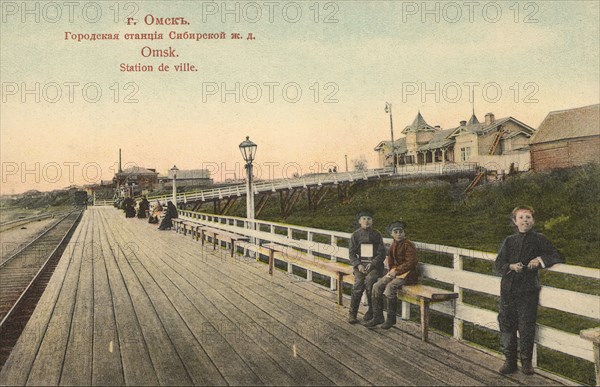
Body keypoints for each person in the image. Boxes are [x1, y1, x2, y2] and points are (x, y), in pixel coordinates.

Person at [494, 206, 563, 375]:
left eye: (528, 217)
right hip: (508, 290)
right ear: (514, 221)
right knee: (507, 324)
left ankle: (526, 363)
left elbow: (556, 255)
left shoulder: (539, 239)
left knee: (526, 326)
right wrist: (510, 266)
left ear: (533, 221)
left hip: (528, 290)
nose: (525, 220)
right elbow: (498, 265)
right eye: (521, 217)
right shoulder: (509, 241)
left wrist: (539, 260)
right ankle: (509, 362)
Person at [365, 220, 418, 329]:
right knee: (376, 286)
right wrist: (390, 273)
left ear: (404, 233)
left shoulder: (408, 245)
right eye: (396, 232)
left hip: (408, 275)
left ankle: (391, 319)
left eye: (401, 231)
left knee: (390, 287)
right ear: (391, 234)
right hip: (395, 273)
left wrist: (396, 271)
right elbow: (391, 262)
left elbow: (411, 262)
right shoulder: (393, 244)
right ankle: (378, 316)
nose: (399, 234)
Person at [348, 210, 386, 324]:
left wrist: (373, 263)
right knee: (358, 284)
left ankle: (371, 311)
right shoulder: (355, 235)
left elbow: (381, 253)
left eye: (369, 219)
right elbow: (351, 254)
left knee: (370, 282)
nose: (366, 221)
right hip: (360, 266)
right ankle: (352, 313)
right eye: (364, 219)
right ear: (359, 221)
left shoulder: (377, 234)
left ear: (372, 221)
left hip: (374, 267)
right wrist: (358, 265)